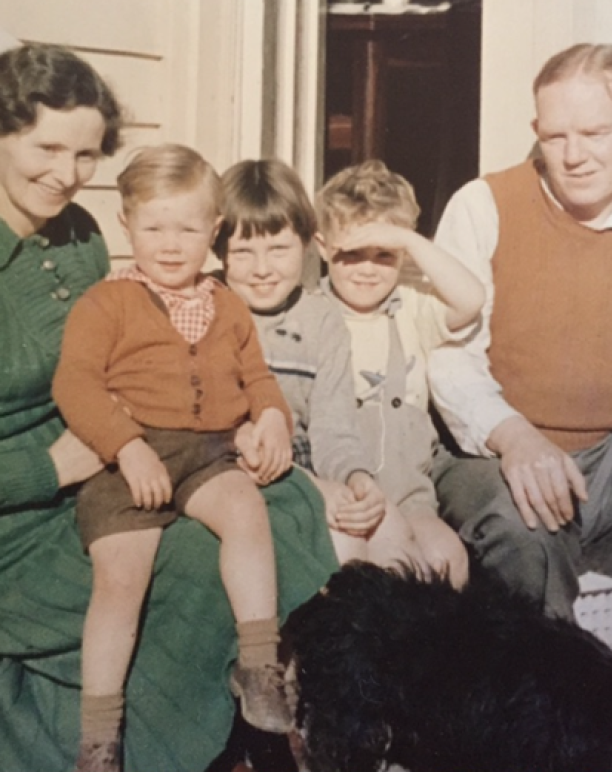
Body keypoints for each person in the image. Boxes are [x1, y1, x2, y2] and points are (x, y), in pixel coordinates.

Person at [0, 45, 337, 772]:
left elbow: (163, 357)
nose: (66, 173)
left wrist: (260, 415)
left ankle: (259, 714)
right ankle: (118, 744)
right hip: (19, 524)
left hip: (117, 466)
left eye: (86, 153)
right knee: (177, 570)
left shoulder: (78, 237)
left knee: (281, 507)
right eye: (46, 147)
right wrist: (45, 464)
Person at [53, 145, 299, 770]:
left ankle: (258, 664)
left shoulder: (227, 303)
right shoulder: (106, 304)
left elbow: (258, 377)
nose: (170, 244)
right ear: (125, 224)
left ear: (213, 231)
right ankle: (99, 735)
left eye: (188, 228)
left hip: (208, 456)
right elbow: (75, 386)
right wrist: (126, 447)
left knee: (246, 508)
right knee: (121, 578)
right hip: (125, 459)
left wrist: (270, 416)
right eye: (154, 227)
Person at [428, 43, 612, 621]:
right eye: (556, 137)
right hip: (491, 453)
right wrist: (516, 437)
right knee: (523, 532)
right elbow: (447, 357)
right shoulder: (485, 204)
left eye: (595, 133)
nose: (574, 156)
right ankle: (550, 700)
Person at [217, 158, 427, 569]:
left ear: (308, 244)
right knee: (345, 548)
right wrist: (314, 488)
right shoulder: (213, 309)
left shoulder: (323, 319)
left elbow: (335, 427)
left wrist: (356, 479)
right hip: (237, 469)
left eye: (279, 249)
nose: (262, 270)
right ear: (220, 251)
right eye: (242, 252)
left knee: (395, 540)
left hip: (312, 465)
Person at [314, 160, 486, 586]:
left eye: (384, 255)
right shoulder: (311, 315)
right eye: (351, 254)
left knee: (447, 560)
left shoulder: (410, 309)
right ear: (322, 248)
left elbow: (471, 298)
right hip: (345, 500)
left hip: (410, 498)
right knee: (376, 574)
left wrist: (407, 238)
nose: (367, 269)